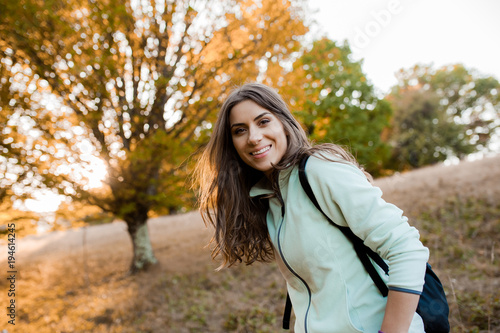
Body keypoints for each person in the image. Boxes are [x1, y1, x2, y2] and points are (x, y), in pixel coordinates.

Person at [195, 82, 429, 333]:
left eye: (263, 121)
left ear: (283, 123)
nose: (253, 137)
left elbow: (406, 248)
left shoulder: (318, 169)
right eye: (240, 130)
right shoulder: (269, 198)